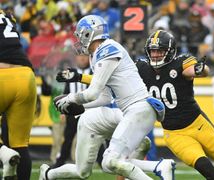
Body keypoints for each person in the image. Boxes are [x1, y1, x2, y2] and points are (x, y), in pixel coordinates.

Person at [40, 15, 175, 180]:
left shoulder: (107, 49)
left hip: (139, 108)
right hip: (129, 110)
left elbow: (92, 92)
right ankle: (48, 175)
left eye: (81, 34)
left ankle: (159, 167)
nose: (79, 39)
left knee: (110, 161)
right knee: (93, 168)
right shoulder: (96, 55)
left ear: (90, 33)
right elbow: (104, 98)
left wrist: (71, 98)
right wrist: (82, 108)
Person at [136, 30, 214, 179]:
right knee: (205, 168)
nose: (155, 55)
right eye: (152, 51)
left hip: (198, 124)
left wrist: (200, 70)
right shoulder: (142, 68)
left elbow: (195, 70)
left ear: (170, 51)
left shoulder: (180, 62)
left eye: (159, 51)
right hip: (174, 134)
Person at [0, 10, 36, 179]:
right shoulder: (7, 15)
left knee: (7, 149)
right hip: (25, 74)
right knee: (20, 145)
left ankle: (3, 153)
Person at [51, 54, 92, 168]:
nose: (82, 58)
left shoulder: (93, 72)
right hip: (73, 111)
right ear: (76, 58)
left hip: (88, 110)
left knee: (92, 136)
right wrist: (63, 111)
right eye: (80, 56)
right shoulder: (71, 72)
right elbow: (66, 91)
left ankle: (99, 160)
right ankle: (60, 161)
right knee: (68, 137)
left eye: (84, 56)